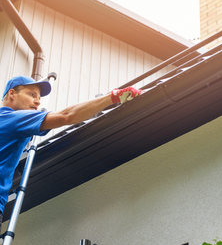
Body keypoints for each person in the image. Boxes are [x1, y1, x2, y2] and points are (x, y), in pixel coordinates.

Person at [0, 75, 143, 230]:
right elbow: (66, 116)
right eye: (31, 94)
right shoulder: (14, 119)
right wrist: (113, 96)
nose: (38, 101)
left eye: (39, 97)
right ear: (12, 94)